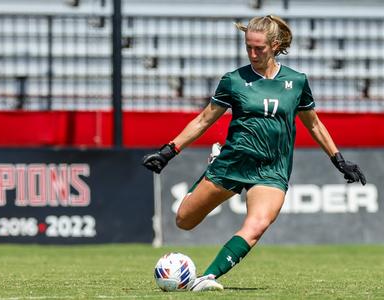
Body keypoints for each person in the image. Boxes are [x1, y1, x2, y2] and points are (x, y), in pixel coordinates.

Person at [142, 15, 366, 292]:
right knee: (184, 220)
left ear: (274, 45)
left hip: (272, 168)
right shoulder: (233, 80)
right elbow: (203, 120)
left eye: (259, 48)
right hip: (234, 161)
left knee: (258, 224)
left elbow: (314, 123)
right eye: (248, 47)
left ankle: (207, 278)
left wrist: (338, 159)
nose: (252, 53)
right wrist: (168, 151)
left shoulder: (296, 82)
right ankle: (213, 162)